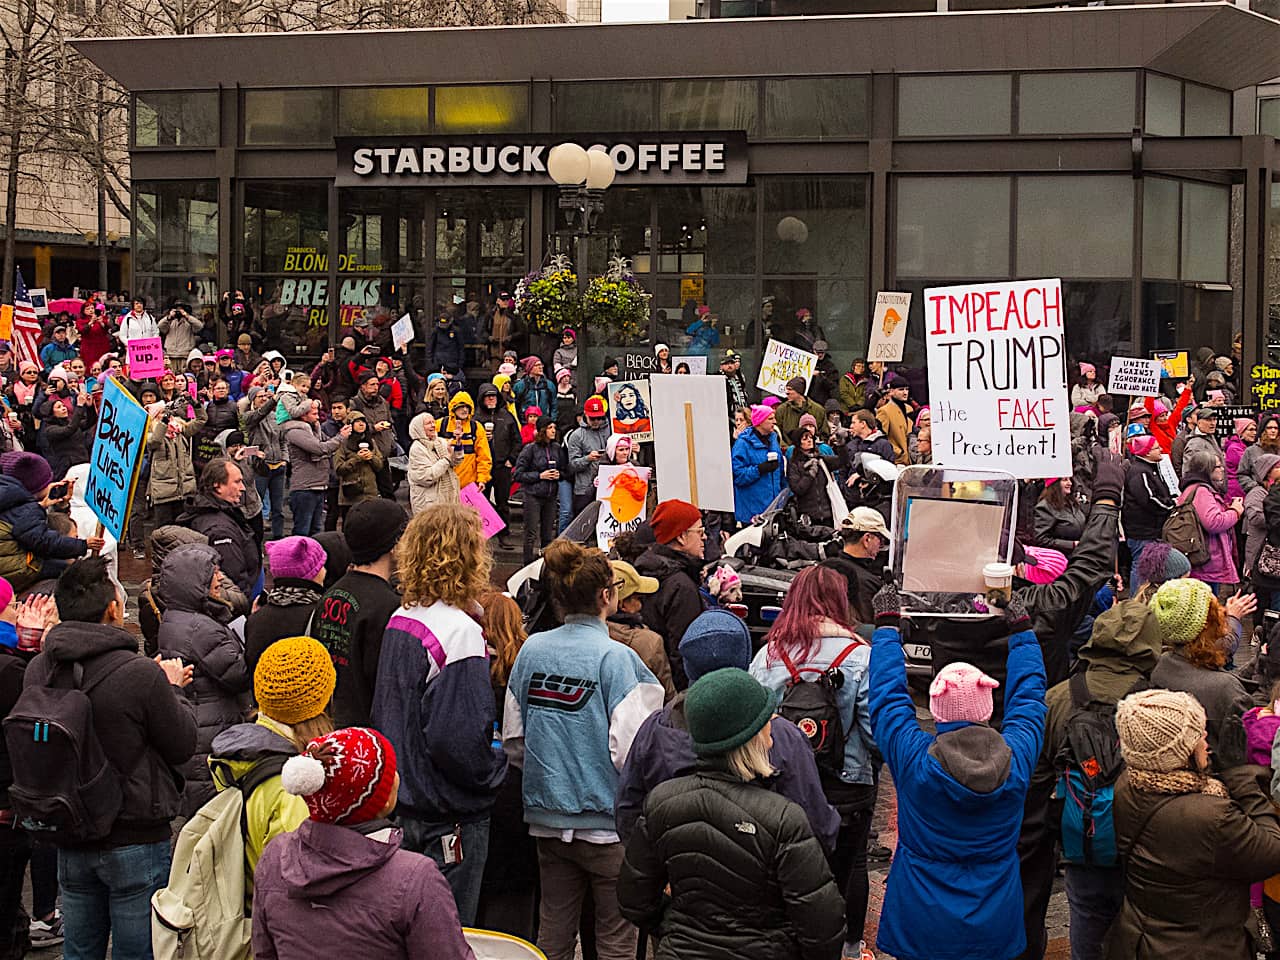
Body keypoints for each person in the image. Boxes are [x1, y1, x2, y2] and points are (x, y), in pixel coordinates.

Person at [27, 557, 196, 960]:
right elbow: (182, 744)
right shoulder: (140, 674)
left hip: (70, 827)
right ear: (113, 610)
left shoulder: (39, 669)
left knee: (79, 950)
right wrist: (171, 689)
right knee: (138, 952)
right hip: (134, 834)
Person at [503, 538, 665, 960]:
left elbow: (514, 740)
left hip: (545, 820)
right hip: (609, 828)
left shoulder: (530, 651)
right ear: (607, 595)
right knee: (615, 942)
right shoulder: (619, 659)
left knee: (552, 934)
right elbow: (634, 752)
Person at [619, 666, 844, 960]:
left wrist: (679, 929)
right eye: (766, 723)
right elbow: (823, 928)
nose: (772, 733)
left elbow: (634, 899)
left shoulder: (661, 803)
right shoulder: (784, 819)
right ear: (747, 737)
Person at [371, 504, 507, 925]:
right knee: (449, 931)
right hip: (450, 813)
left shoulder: (402, 617)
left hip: (406, 801)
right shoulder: (459, 632)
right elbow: (458, 740)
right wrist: (495, 769)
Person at [254, 727, 474, 960]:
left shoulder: (275, 857)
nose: (397, 776)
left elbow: (264, 953)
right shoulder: (415, 877)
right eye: (390, 773)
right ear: (384, 800)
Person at [751, 565, 877, 960]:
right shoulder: (860, 655)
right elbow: (875, 733)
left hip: (782, 784)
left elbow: (752, 722)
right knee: (850, 868)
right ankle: (849, 948)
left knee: (786, 873)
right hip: (848, 787)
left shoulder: (769, 655)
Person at [1028, 598, 1160, 960]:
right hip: (1143, 844)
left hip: (1078, 839)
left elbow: (1037, 779)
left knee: (1085, 916)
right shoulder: (1160, 700)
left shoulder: (1058, 697)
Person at [1107, 689, 1280, 959]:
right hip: (1202, 946)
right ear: (1178, 752)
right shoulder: (1210, 815)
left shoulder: (1127, 785)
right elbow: (1272, 852)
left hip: (1142, 937)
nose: (1206, 740)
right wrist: (1240, 777)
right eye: (1198, 734)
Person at [154, 541, 251, 816]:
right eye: (213, 573)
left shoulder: (177, 616)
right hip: (211, 732)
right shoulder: (201, 628)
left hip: (200, 725)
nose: (220, 578)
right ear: (193, 582)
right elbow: (238, 674)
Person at [314, 499, 406, 728]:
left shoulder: (331, 594)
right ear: (394, 545)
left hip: (329, 723)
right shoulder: (389, 607)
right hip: (368, 733)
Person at [1148, 578, 1253, 755]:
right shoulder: (1225, 689)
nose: (1223, 612)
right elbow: (1248, 747)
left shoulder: (1161, 664)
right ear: (1207, 624)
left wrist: (1256, 665)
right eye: (1216, 608)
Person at [0, 452, 101, 592]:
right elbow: (43, 541)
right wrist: (83, 545)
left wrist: (50, 505)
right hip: (16, 567)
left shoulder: (10, 497)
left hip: (7, 562)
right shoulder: (25, 507)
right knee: (70, 572)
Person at [634, 499, 708, 691]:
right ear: (681, 537)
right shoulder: (680, 586)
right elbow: (684, 652)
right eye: (699, 532)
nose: (705, 537)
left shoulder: (644, 568)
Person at [177, 458, 261, 598]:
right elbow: (233, 577)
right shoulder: (220, 530)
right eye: (237, 482)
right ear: (218, 486)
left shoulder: (223, 513)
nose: (243, 488)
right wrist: (244, 608)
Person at [244, 537, 327, 672]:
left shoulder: (257, 617)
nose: (324, 570)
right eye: (321, 565)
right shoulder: (322, 616)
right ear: (311, 573)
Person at [606, 560, 676, 701]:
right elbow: (667, 696)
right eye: (638, 598)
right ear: (622, 604)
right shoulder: (650, 642)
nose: (642, 603)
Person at [1177, 448, 1244, 590]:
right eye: (1218, 466)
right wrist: (1235, 511)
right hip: (1207, 562)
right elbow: (1213, 522)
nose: (1222, 470)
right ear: (1206, 470)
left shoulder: (1193, 488)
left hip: (1202, 559)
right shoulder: (1202, 491)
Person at [280, 399, 347, 537]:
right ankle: (299, 558)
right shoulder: (295, 432)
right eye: (314, 414)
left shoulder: (315, 429)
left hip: (319, 485)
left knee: (316, 530)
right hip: (305, 488)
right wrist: (341, 436)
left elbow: (330, 444)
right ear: (304, 415)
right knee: (302, 531)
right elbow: (321, 448)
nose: (318, 417)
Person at [1122, 433, 1176, 587]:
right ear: (1146, 452)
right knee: (1141, 568)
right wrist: (1171, 505)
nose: (1160, 450)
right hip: (1142, 531)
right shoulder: (1140, 472)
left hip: (1150, 529)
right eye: (1156, 448)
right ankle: (1136, 602)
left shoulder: (1150, 468)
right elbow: (1149, 499)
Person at [146, 395, 207, 530]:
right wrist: (164, 421)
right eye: (162, 412)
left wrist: (195, 404)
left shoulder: (180, 430)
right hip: (164, 494)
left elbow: (201, 420)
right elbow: (155, 440)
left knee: (184, 531)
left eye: (167, 412)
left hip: (184, 490)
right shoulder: (149, 433)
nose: (168, 415)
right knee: (164, 531)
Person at [513, 416, 565, 565]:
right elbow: (518, 474)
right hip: (533, 495)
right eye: (550, 428)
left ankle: (545, 565)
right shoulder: (530, 449)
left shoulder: (557, 448)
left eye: (554, 427)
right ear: (543, 430)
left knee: (548, 534)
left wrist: (559, 474)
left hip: (550, 496)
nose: (553, 431)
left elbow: (565, 470)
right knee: (531, 533)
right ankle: (527, 565)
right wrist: (539, 475)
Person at [822, 508, 887, 624]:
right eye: (880, 540)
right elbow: (869, 628)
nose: (881, 546)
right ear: (867, 539)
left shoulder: (823, 569)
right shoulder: (868, 583)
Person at [478, 382, 519, 547]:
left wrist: (512, 459)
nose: (491, 399)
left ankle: (504, 534)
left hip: (503, 465)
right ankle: (483, 535)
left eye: (493, 396)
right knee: (482, 502)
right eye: (488, 397)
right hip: (484, 466)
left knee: (503, 503)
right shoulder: (476, 418)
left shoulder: (507, 416)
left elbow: (517, 440)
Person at [732, 405, 783, 526]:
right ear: (760, 421)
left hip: (773, 510)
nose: (774, 422)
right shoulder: (743, 444)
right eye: (770, 419)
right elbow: (738, 476)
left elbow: (780, 472)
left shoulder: (773, 440)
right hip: (753, 513)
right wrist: (760, 469)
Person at [333, 410, 384, 520]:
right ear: (350, 425)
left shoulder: (371, 442)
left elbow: (379, 465)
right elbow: (339, 469)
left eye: (363, 422)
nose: (361, 424)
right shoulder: (343, 444)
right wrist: (357, 459)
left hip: (370, 496)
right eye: (357, 422)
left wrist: (371, 458)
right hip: (351, 497)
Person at [566, 395, 612, 516]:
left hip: (608, 486)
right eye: (593, 418)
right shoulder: (576, 435)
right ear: (585, 415)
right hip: (585, 488)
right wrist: (588, 458)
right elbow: (572, 465)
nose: (597, 421)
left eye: (599, 418)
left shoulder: (611, 430)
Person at [406, 412, 460, 513]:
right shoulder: (417, 448)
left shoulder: (440, 441)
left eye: (433, 422)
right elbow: (427, 477)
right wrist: (447, 458)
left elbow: (456, 462)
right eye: (428, 423)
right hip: (428, 505)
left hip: (447, 499)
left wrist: (458, 444)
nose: (433, 425)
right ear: (419, 428)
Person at [443, 391, 492, 492]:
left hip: (468, 485)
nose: (465, 410)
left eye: (467, 407)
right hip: (444, 484)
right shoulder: (441, 425)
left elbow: (484, 456)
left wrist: (482, 479)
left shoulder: (476, 427)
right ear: (454, 408)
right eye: (461, 407)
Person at [786, 425, 835, 525]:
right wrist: (810, 474)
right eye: (805, 438)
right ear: (798, 443)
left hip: (827, 513)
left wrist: (841, 445)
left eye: (810, 437)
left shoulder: (820, 459)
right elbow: (798, 489)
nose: (809, 440)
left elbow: (842, 461)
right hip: (808, 516)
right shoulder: (794, 464)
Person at [1034, 478, 1086, 557]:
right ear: (1055, 484)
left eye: (1070, 480)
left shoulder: (1072, 503)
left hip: (1079, 554)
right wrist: (1071, 544)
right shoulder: (1045, 507)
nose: (1070, 483)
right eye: (1065, 480)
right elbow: (1041, 539)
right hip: (1060, 559)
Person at [1171, 406, 1222, 475]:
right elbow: (1184, 470)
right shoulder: (1189, 442)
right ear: (1199, 422)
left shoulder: (1210, 436)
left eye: (1214, 419)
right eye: (1208, 420)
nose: (1213, 423)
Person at [776, 378, 829, 443]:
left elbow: (824, 434)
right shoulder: (781, 410)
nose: (787, 392)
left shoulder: (819, 410)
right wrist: (788, 449)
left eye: (790, 389)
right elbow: (778, 434)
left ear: (799, 391)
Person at [875, 373, 912, 465]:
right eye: (901, 389)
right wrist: (898, 452)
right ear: (891, 391)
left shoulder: (909, 409)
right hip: (896, 461)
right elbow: (880, 437)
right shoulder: (884, 411)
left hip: (910, 460)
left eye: (907, 389)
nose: (905, 392)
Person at [1225, 417, 1257, 501]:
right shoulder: (1234, 449)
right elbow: (1252, 466)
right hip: (1236, 490)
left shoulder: (1247, 446)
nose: (1254, 433)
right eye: (1250, 430)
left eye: (1255, 430)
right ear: (1241, 432)